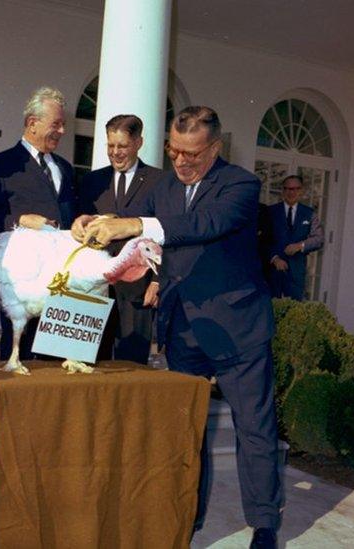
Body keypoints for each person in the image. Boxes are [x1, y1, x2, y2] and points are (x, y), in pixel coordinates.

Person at [76, 106, 283, 549]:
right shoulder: (164, 185)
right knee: (186, 431)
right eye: (174, 151)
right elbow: (134, 222)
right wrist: (92, 224)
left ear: (215, 148)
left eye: (193, 154)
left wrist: (135, 223)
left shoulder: (240, 185)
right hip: (183, 327)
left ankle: (264, 524)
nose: (182, 162)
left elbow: (204, 225)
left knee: (254, 429)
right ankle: (188, 513)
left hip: (238, 330)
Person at [0, 86, 76, 362]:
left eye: (63, 125)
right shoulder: (0, 166)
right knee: (18, 354)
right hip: (22, 279)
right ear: (32, 123)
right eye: (56, 125)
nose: (61, 131)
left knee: (56, 358)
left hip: (62, 281)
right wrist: (20, 220)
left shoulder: (65, 168)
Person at [76, 114, 162, 364]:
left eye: (122, 146)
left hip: (138, 291)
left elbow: (164, 235)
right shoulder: (92, 181)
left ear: (139, 143)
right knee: (90, 362)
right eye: (110, 146)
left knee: (131, 364)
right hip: (95, 289)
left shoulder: (160, 181)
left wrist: (157, 281)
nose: (115, 153)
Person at [266, 175, 324, 300]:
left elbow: (318, 239)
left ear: (301, 191)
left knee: (293, 311)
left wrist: (299, 246)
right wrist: (274, 258)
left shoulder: (309, 213)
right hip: (271, 273)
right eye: (287, 189)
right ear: (282, 191)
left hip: (296, 273)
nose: (291, 192)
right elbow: (261, 241)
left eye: (296, 189)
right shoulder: (270, 212)